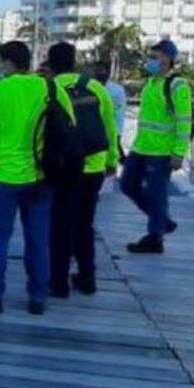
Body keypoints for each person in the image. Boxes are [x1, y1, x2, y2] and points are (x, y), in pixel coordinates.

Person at [0, 40, 73, 315]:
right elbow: (70, 123)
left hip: (3, 176)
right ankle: (38, 297)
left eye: (0, 62)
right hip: (40, 176)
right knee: (37, 239)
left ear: (9, 63)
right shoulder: (50, 87)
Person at [47, 43, 118, 296]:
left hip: (64, 165)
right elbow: (110, 128)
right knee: (85, 223)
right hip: (94, 165)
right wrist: (112, 160)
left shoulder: (50, 88)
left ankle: (58, 282)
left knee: (60, 223)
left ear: (50, 63)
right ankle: (87, 277)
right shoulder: (96, 87)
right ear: (74, 61)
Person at [120, 40, 191, 254]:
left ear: (168, 59)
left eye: (156, 55)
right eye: (151, 55)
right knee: (128, 184)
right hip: (141, 146)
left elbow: (184, 120)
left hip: (161, 151)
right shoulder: (150, 83)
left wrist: (179, 153)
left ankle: (155, 237)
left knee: (157, 192)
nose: (151, 60)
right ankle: (162, 220)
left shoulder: (177, 85)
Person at [94, 60, 127, 165]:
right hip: (94, 128)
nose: (98, 73)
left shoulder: (117, 90)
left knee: (114, 156)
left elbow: (119, 112)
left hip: (112, 128)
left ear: (108, 72)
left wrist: (117, 132)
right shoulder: (90, 87)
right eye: (96, 70)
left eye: (101, 70)